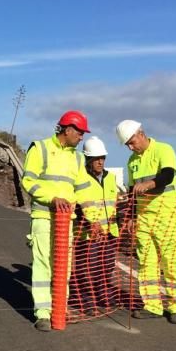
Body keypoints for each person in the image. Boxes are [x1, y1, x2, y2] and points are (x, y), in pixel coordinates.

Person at [21, 110, 91, 331]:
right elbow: (28, 181)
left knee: (63, 266)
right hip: (43, 216)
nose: (82, 138)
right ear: (68, 129)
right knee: (43, 265)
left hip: (66, 220)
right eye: (80, 133)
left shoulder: (78, 158)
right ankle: (43, 313)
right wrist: (52, 198)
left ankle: (59, 308)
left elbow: (83, 191)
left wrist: (95, 219)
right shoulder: (40, 148)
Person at [116, 120, 176, 324]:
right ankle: (152, 306)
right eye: (127, 145)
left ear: (141, 133)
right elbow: (131, 192)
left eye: (132, 142)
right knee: (147, 263)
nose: (131, 147)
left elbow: (167, 175)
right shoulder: (132, 161)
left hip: (167, 216)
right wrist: (129, 216)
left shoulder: (163, 149)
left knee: (171, 262)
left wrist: (151, 183)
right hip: (144, 218)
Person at [69, 136, 120, 316]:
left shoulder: (111, 178)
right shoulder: (80, 177)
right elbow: (77, 204)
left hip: (109, 232)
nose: (100, 161)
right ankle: (86, 299)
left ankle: (103, 295)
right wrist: (90, 223)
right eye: (96, 158)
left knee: (106, 266)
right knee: (87, 269)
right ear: (88, 159)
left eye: (103, 158)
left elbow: (115, 204)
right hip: (87, 233)